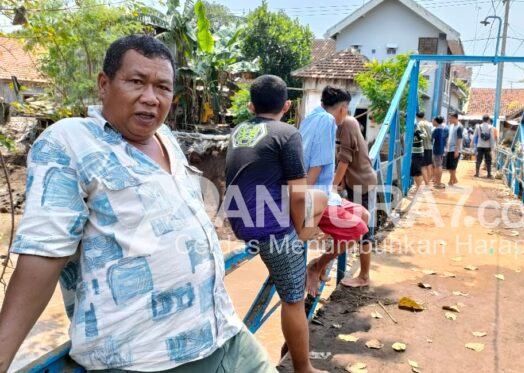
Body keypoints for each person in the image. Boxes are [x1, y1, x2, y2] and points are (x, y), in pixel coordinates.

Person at [0, 35, 275, 373]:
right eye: (136, 82)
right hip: (148, 360)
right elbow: (43, 256)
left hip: (224, 332)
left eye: (162, 87)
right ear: (104, 84)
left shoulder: (166, 138)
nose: (151, 98)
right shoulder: (69, 142)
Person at [224, 75, 328, 373]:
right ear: (288, 105)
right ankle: (303, 368)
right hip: (271, 230)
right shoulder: (287, 132)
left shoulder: (238, 130)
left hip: (239, 223)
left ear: (250, 106)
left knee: (310, 200)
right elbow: (298, 195)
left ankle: (303, 238)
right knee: (293, 299)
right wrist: (299, 234)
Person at [299, 86, 369, 297]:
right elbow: (317, 164)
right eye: (346, 110)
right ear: (343, 109)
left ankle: (320, 264)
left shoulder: (311, 116)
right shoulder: (328, 121)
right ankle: (316, 266)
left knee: (363, 215)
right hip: (315, 193)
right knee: (357, 229)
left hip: (322, 191)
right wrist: (303, 199)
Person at [333, 116, 378, 288]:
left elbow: (345, 160)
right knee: (352, 227)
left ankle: (364, 276)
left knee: (363, 231)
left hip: (362, 185)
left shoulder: (347, 124)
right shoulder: (341, 125)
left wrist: (332, 186)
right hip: (355, 184)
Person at [445, 112, 464, 186]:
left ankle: (451, 180)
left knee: (453, 166)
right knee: (449, 166)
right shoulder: (451, 126)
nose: (449, 119)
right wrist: (447, 148)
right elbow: (449, 138)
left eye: (450, 118)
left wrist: (457, 150)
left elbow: (459, 139)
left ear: (454, 118)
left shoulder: (459, 127)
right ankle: (454, 179)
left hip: (455, 149)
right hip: (450, 148)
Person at [416, 112, 434, 184]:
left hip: (423, 147)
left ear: (417, 117)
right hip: (429, 146)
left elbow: (422, 135)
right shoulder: (430, 124)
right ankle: (429, 180)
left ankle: (426, 182)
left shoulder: (420, 124)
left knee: (422, 165)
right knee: (429, 163)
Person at [431, 116, 449, 188]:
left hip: (436, 149)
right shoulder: (444, 129)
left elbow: (431, 138)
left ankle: (438, 183)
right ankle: (437, 181)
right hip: (441, 149)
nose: (432, 122)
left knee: (438, 166)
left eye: (433, 121)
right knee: (439, 166)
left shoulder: (437, 129)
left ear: (436, 121)